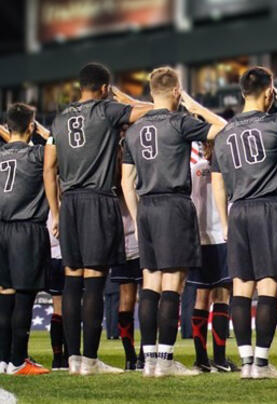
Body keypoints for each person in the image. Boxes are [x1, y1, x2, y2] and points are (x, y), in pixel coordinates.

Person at [206, 67, 277, 379]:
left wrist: (225, 221)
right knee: (268, 288)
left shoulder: (225, 133)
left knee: (241, 289)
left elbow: (217, 182)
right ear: (269, 93)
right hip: (268, 208)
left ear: (242, 92)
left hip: (237, 211)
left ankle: (245, 363)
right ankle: (262, 365)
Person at [44, 63, 152, 375]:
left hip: (70, 204)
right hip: (97, 199)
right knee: (94, 281)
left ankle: (73, 357)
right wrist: (123, 98)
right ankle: (89, 359)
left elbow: (49, 169)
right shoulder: (107, 110)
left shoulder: (60, 118)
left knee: (72, 280)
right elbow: (151, 108)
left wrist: (56, 211)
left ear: (80, 87)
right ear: (104, 88)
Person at [121, 67, 225, 377]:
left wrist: (138, 218)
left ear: (151, 92)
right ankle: (165, 361)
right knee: (172, 286)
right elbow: (221, 128)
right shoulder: (180, 121)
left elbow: (127, 181)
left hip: (147, 209)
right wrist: (194, 107)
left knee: (150, 285)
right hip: (173, 205)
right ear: (177, 91)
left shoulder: (133, 131)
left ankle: (149, 359)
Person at [0, 103, 51, 375]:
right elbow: (60, 147)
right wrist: (45, 133)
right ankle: (19, 361)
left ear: (7, 127)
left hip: (1, 230)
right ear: (31, 126)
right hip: (26, 230)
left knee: (4, 296)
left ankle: (2, 359)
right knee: (24, 298)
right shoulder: (38, 155)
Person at [187, 142, 238, 373]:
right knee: (221, 297)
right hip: (222, 237)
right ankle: (219, 358)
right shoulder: (228, 170)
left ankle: (201, 360)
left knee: (200, 298)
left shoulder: (195, 169)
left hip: (199, 239)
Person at [109, 200, 143, 371]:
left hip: (122, 241)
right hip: (141, 238)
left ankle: (130, 358)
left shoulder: (114, 178)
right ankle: (145, 354)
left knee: (126, 297)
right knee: (149, 296)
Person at [46, 211, 67, 371]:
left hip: (52, 257)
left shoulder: (48, 202)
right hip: (68, 257)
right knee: (70, 308)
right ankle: (68, 355)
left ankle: (57, 358)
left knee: (58, 308)